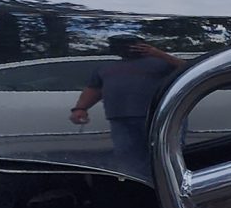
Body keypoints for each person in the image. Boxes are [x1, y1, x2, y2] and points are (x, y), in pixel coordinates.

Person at [68, 35, 183, 180]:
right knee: (128, 159)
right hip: (120, 120)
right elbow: (94, 89)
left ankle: (171, 187)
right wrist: (80, 108)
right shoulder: (105, 67)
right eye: (118, 45)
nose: (125, 48)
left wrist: (158, 53)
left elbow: (189, 70)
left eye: (130, 44)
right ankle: (138, 188)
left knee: (165, 155)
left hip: (159, 117)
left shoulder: (161, 62)